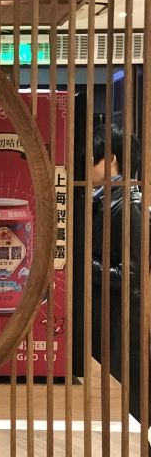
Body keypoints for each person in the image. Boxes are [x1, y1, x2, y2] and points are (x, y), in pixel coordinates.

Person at [90, 124, 146, 424]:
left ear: (111, 159)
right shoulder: (104, 200)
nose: (85, 166)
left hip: (122, 324)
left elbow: (130, 276)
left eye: (91, 158)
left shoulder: (129, 206)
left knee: (128, 408)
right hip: (107, 319)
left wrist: (82, 264)